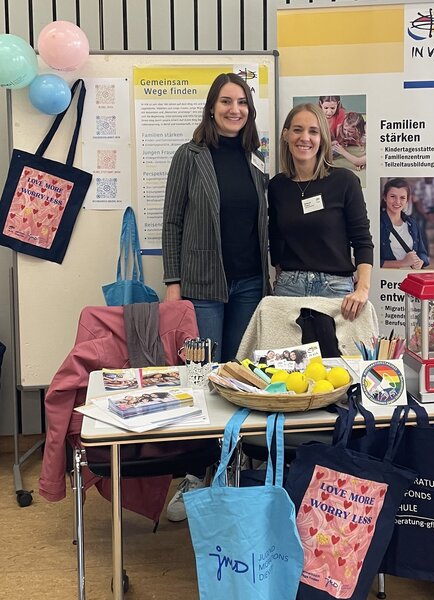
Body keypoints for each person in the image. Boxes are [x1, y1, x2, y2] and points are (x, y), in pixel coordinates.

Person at [162, 72, 269, 521]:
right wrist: (173, 284)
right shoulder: (190, 156)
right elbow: (172, 221)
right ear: (212, 107)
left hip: (249, 285)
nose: (234, 109)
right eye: (226, 101)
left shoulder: (256, 158)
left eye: (241, 102)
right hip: (202, 286)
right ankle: (195, 473)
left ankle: (232, 468)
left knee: (240, 381)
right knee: (202, 381)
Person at [268, 103, 373, 322]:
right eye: (297, 129)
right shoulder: (277, 186)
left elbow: (362, 240)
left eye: (313, 131)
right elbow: (276, 239)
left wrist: (362, 289)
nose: (305, 138)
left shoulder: (344, 181)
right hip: (289, 289)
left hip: (336, 290)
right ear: (286, 135)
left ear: (322, 138)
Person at [380, 178, 429, 269]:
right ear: (385, 197)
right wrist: (402, 263)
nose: (397, 202)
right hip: (388, 277)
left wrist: (420, 262)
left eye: (402, 198)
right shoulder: (377, 224)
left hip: (411, 276)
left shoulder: (412, 224)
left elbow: (422, 253)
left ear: (407, 200)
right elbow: (373, 261)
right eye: (393, 196)